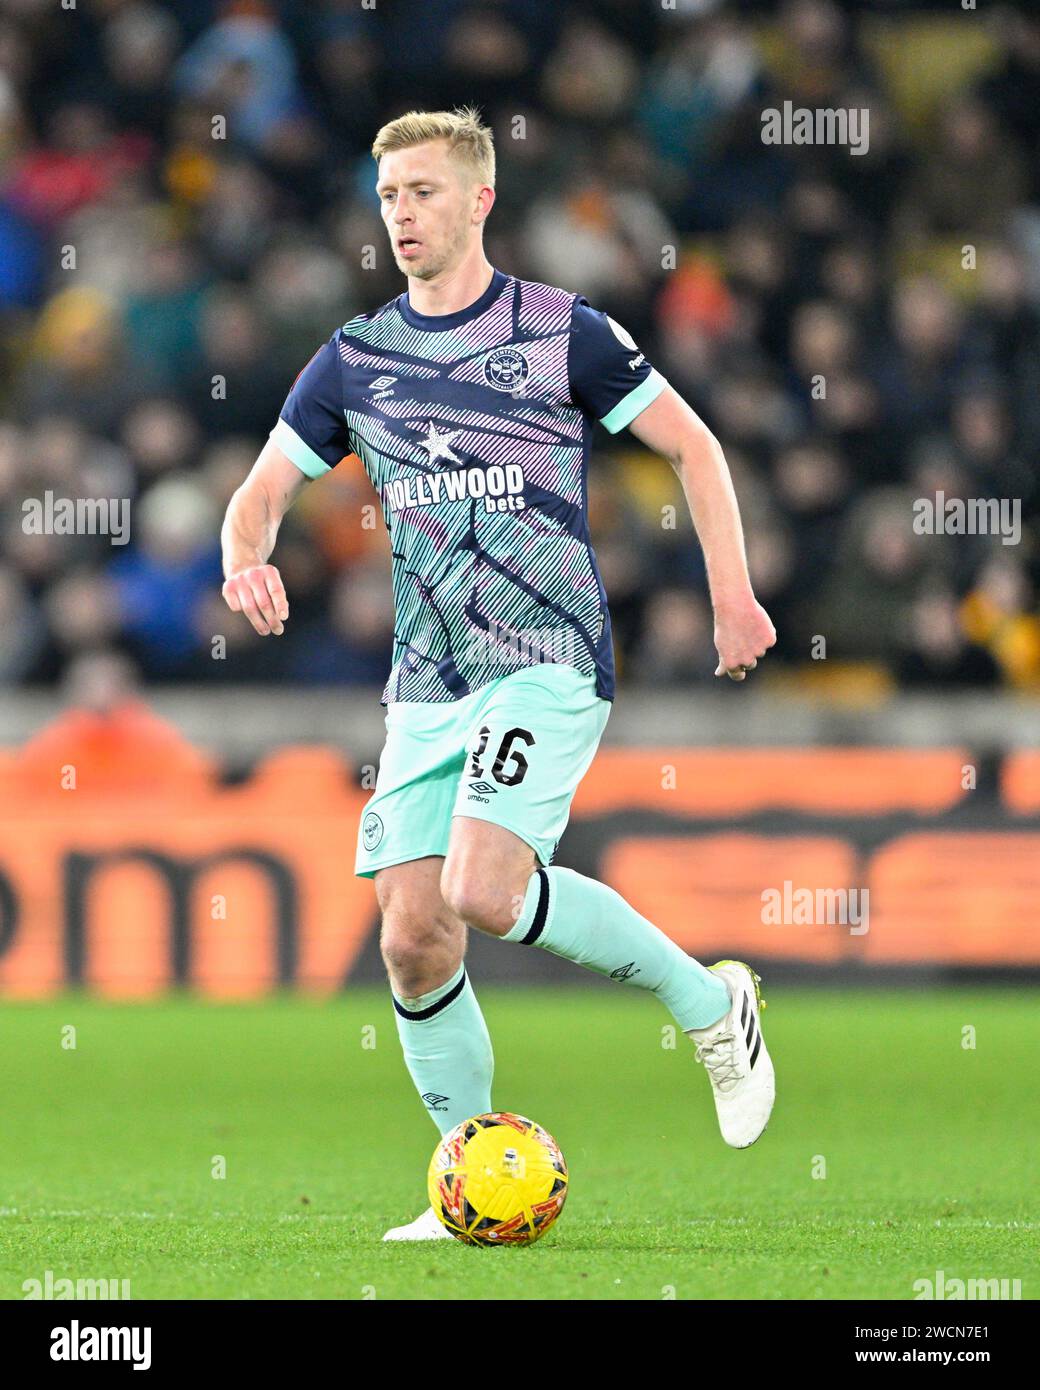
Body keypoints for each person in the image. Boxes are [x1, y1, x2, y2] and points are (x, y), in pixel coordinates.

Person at [220, 107, 777, 1242]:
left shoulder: (560, 330)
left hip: (544, 651)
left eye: (422, 192)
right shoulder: (355, 357)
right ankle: (463, 1179)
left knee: (482, 888)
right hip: (425, 677)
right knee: (412, 935)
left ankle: (708, 1002)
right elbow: (263, 488)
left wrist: (730, 590)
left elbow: (693, 446)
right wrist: (243, 556)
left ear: (480, 199)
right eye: (387, 197)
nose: (401, 215)